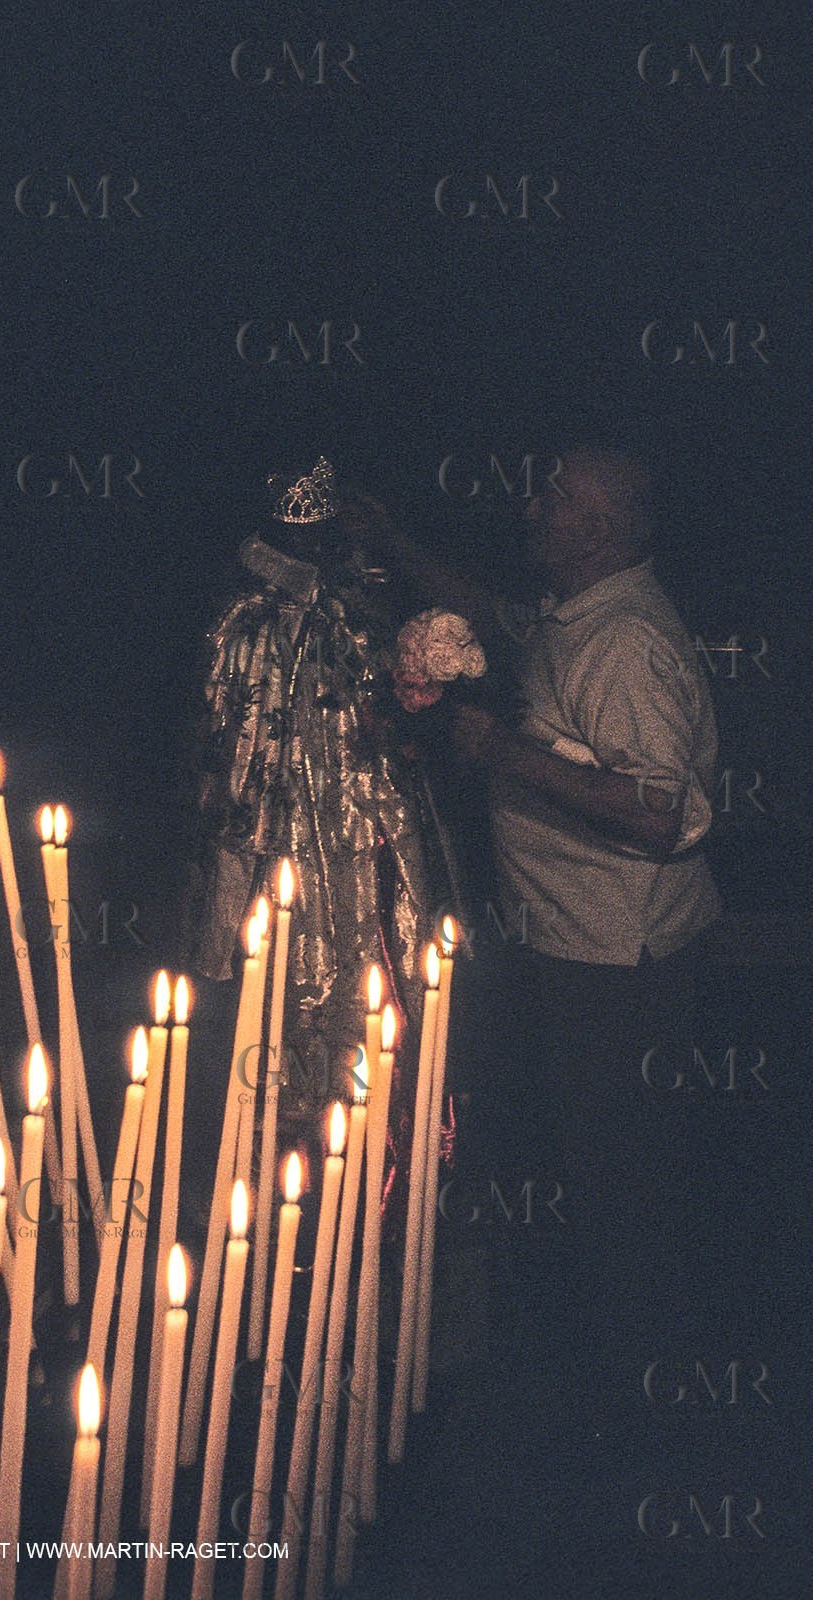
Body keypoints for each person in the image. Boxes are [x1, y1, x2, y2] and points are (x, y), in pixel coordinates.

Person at [345, 447, 725, 1416]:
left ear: (595, 532)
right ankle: (614, 1356)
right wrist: (390, 540)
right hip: (574, 944)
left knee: (617, 1175)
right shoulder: (577, 613)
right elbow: (498, 617)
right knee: (593, 1159)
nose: (527, 506)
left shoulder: (627, 645)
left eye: (550, 499)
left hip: (617, 958)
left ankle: (641, 1391)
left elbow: (657, 811)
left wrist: (496, 750)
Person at [183, 457, 464, 1113]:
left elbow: (390, 700)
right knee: (279, 934)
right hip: (273, 810)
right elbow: (223, 730)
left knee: (377, 925)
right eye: (297, 535)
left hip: (363, 801)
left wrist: (400, 715)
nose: (312, 546)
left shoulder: (355, 603)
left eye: (320, 533)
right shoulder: (244, 619)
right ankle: (277, 1099)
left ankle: (381, 1084)